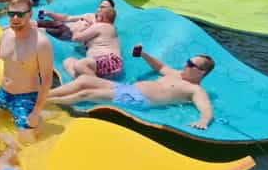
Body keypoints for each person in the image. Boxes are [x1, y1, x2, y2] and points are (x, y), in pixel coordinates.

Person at [48, 49, 216, 130]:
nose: (186, 65)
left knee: (86, 94)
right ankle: (45, 95)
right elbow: (161, 66)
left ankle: (46, 103)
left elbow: (206, 108)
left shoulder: (195, 90)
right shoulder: (177, 74)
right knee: (84, 79)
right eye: (188, 61)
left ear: (201, 72)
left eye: (191, 64)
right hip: (127, 88)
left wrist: (203, 121)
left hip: (138, 99)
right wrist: (144, 54)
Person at [0, 0, 54, 142]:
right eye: (11, 13)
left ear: (30, 14)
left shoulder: (41, 44)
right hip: (3, 94)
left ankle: (39, 116)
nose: (15, 18)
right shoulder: (6, 35)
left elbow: (46, 81)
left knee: (27, 142)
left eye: (20, 14)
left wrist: (35, 111)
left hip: (25, 98)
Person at [61, 1, 123, 80]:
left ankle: (94, 84)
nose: (95, 18)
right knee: (68, 61)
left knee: (79, 65)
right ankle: (87, 81)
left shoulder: (100, 26)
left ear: (101, 18)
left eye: (96, 16)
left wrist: (83, 28)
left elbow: (75, 38)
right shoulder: (112, 29)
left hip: (107, 60)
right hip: (109, 65)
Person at [39, 0, 116, 41]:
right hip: (61, 25)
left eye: (103, 7)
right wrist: (49, 14)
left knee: (41, 30)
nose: (100, 9)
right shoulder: (89, 15)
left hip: (66, 33)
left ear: (110, 11)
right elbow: (67, 18)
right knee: (38, 23)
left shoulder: (104, 27)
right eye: (100, 6)